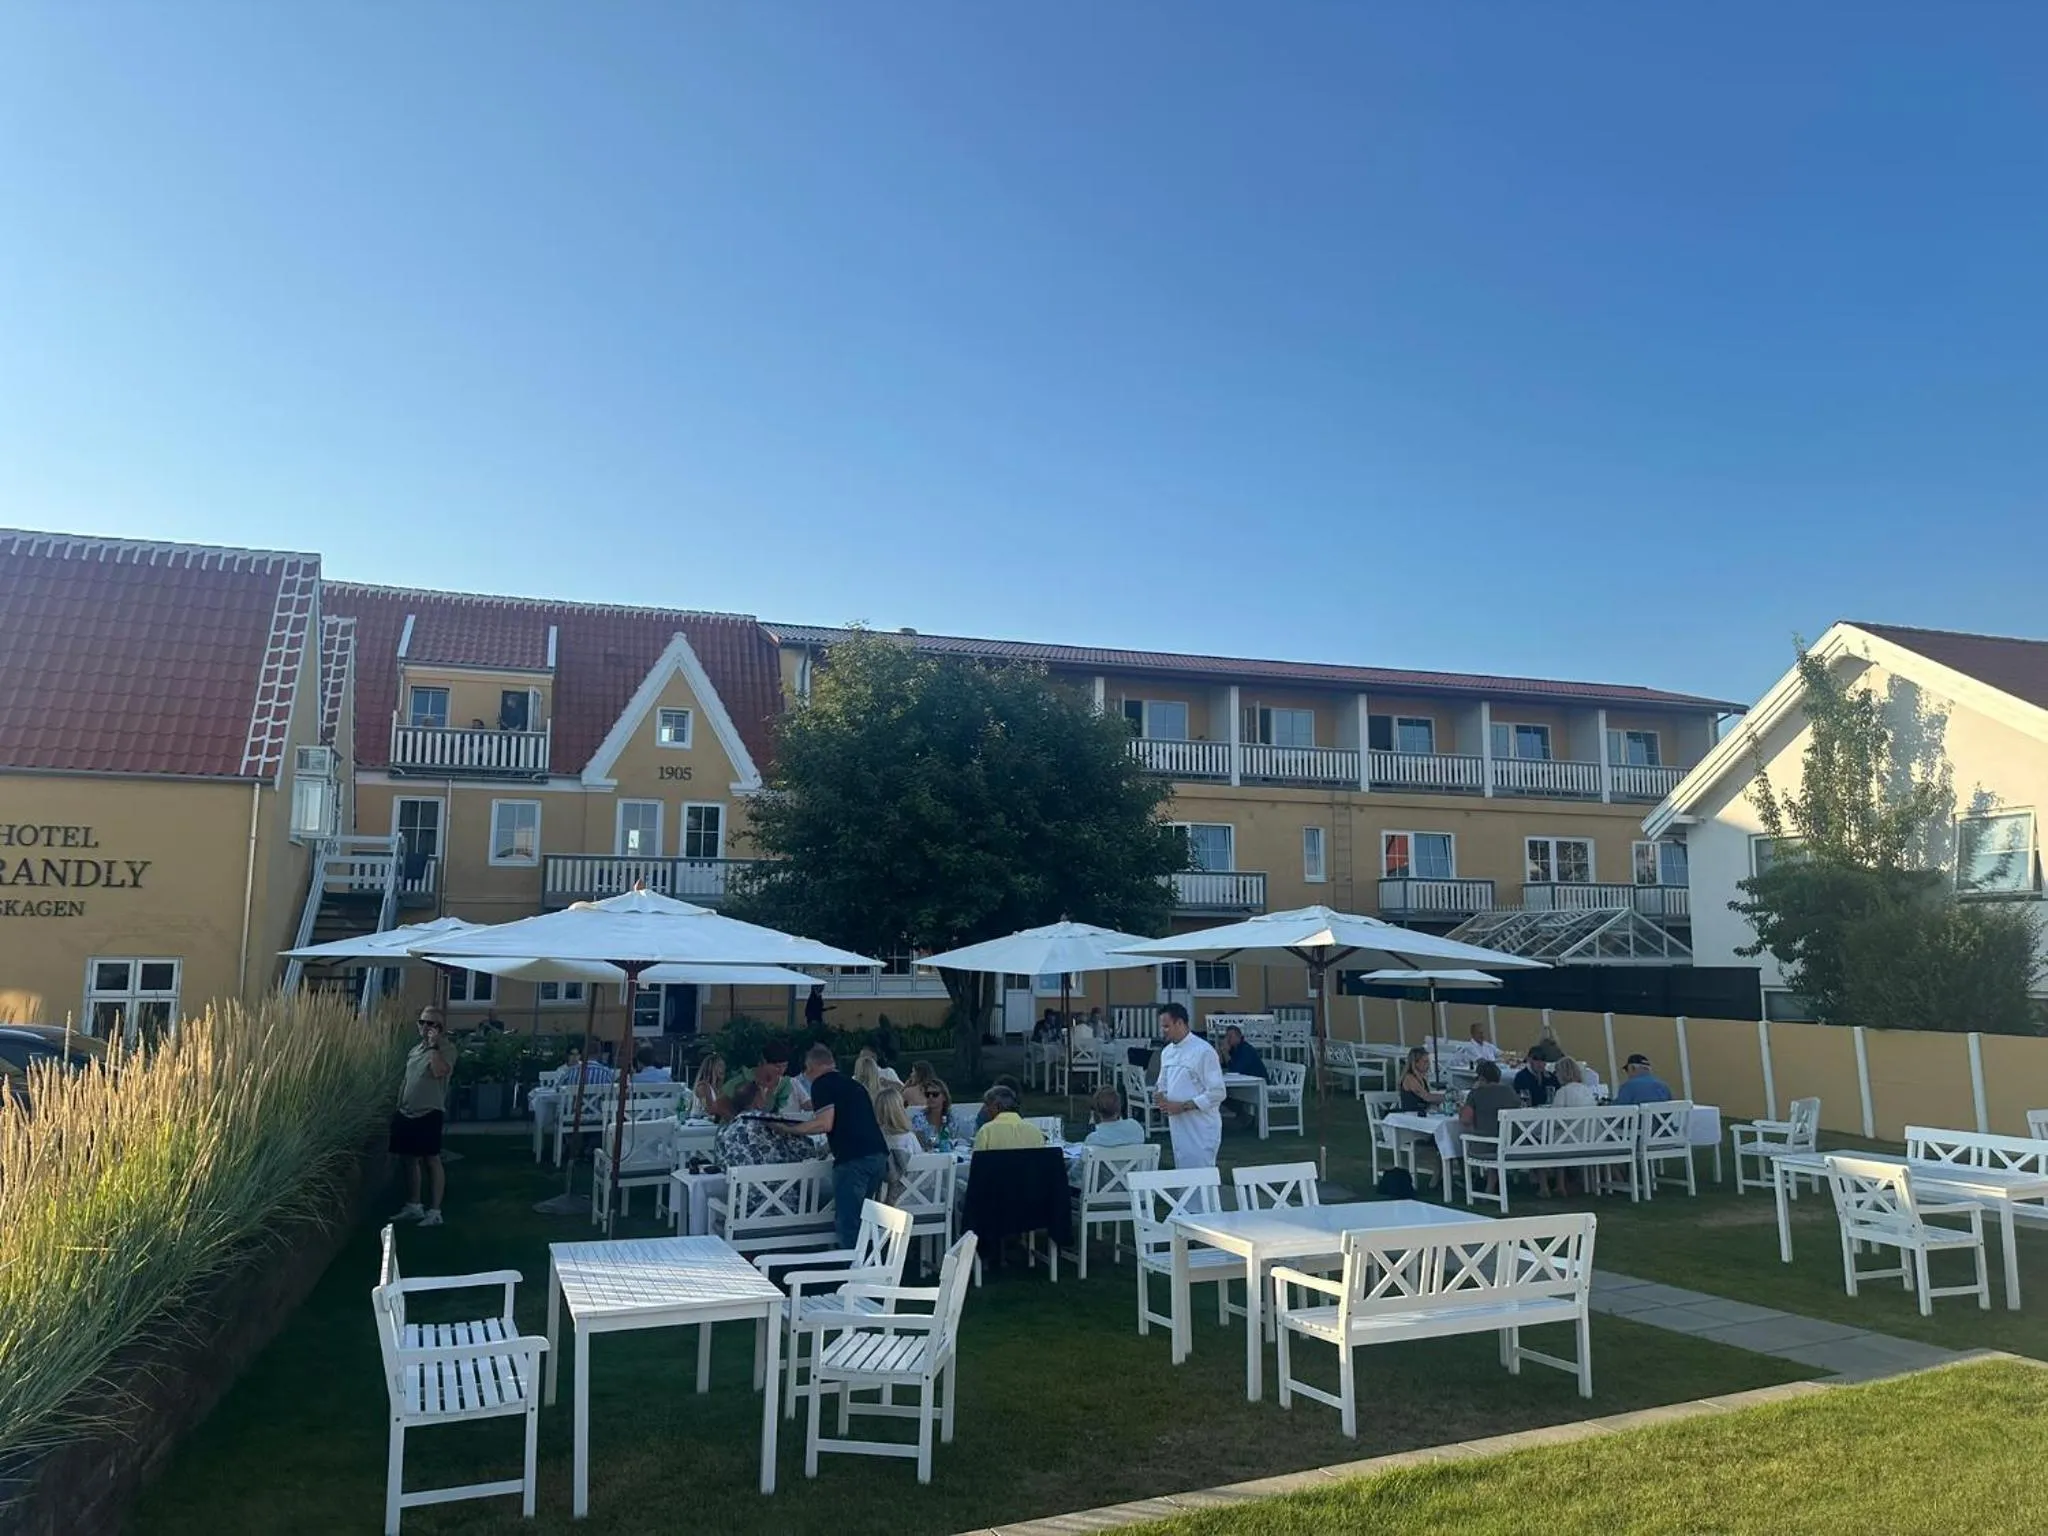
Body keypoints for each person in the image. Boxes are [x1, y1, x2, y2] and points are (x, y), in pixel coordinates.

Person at [772, 1043, 891, 1247]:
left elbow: (824, 1123)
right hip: (878, 1155)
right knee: (865, 1216)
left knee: (849, 1222)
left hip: (853, 1160)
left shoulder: (822, 1085)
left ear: (811, 1067)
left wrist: (789, 1129)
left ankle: (854, 1272)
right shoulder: (854, 1085)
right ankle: (872, 1263)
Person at [391, 1007, 458, 1227]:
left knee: (431, 1159)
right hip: (406, 1111)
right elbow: (407, 1078)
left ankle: (435, 1211)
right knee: (408, 1159)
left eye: (433, 1024)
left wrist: (434, 1047)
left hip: (429, 1111)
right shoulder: (414, 1050)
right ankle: (414, 1205)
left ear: (441, 1029)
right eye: (423, 1023)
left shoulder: (446, 1049)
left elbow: (440, 1071)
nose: (427, 1028)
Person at [1154, 1003, 1224, 1169]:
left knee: (1201, 1174)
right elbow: (1162, 1084)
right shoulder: (1167, 1052)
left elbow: (1217, 1092)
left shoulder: (1204, 1051)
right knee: (1183, 1171)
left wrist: (1183, 1106)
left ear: (1180, 1023)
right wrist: (1159, 1096)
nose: (1163, 1030)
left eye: (1166, 1026)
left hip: (1201, 1127)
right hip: (1178, 1126)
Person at [1458, 1059, 1525, 1197]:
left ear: (1481, 1077)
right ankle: (1542, 1186)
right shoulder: (1509, 1091)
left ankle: (1482, 1185)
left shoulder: (1476, 1093)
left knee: (1466, 1140)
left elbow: (1465, 1119)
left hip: (1487, 1145)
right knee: (1496, 1138)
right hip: (1512, 1142)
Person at [715, 1080, 817, 1168]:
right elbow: (806, 1151)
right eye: (764, 1093)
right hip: (784, 1187)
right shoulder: (772, 1122)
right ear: (757, 1100)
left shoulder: (723, 1131)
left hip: (742, 1189)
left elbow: (721, 1165)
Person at [721, 1040, 798, 1117]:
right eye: (777, 1066)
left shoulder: (784, 1084)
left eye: (785, 1066)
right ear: (764, 1062)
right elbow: (721, 1106)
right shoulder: (741, 1079)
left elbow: (781, 1111)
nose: (781, 1071)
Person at [972, 1084, 1046, 1150]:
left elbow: (977, 1163)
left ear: (996, 1106)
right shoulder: (1035, 1132)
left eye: (987, 1105)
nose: (985, 1109)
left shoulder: (986, 1131)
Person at [874, 1084, 924, 1166]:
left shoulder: (874, 1139)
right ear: (900, 1109)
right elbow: (923, 1167)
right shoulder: (909, 1139)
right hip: (915, 1178)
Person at [1398, 1046, 1444, 1113]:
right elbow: (1427, 1097)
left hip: (1421, 1114)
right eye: (1425, 1062)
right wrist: (1448, 1097)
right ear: (1416, 1063)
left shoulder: (1422, 1078)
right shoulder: (1409, 1078)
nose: (1428, 1064)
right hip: (1411, 1116)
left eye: (1428, 1061)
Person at [912, 1079, 955, 1147]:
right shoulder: (919, 1118)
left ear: (944, 1097)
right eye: (927, 1094)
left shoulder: (952, 1118)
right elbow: (920, 1143)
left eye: (935, 1094)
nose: (930, 1097)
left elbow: (955, 1140)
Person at [690, 1052, 727, 1119]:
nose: (723, 1068)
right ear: (711, 1067)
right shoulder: (702, 1087)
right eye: (720, 1066)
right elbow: (709, 1109)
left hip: (711, 1125)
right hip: (699, 1125)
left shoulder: (718, 1088)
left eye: (724, 1066)